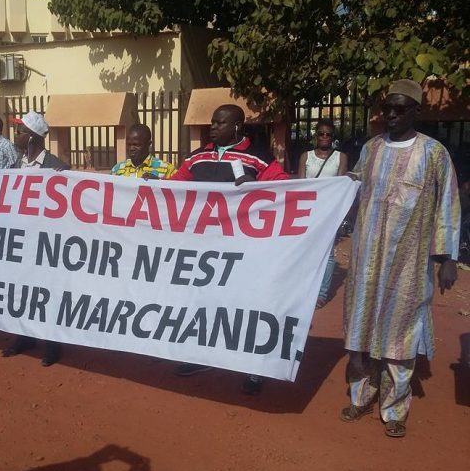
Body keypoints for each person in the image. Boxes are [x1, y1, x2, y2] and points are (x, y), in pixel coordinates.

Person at [340, 79, 460, 438]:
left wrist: (448, 258)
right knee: (360, 330)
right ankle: (361, 395)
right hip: (365, 261)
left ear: (416, 111)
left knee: (400, 335)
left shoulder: (434, 153)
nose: (390, 114)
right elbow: (352, 187)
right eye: (387, 108)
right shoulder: (371, 148)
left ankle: (394, 407)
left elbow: (447, 204)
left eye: (400, 108)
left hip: (409, 263)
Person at [170, 104, 290, 395]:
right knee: (202, 302)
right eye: (212, 122)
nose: (213, 127)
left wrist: (257, 187)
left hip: (244, 249)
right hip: (204, 248)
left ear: (237, 127)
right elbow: (173, 187)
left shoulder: (258, 157)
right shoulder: (197, 157)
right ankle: (201, 357)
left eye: (219, 123)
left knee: (246, 305)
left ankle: (254, 370)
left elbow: (286, 186)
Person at [1, 110, 68, 367]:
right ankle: (24, 336)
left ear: (31, 138)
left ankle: (52, 344)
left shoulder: (56, 167)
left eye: (19, 131)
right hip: (21, 241)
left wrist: (65, 178)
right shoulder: (18, 165)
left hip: (45, 245)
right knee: (20, 290)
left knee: (46, 293)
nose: (15, 135)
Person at [297, 119, 348, 308]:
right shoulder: (306, 156)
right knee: (304, 251)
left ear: (332, 138)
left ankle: (322, 293)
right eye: (321, 134)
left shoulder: (340, 157)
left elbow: (341, 185)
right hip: (307, 211)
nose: (325, 137)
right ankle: (303, 289)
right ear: (315, 136)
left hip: (329, 211)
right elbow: (300, 186)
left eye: (328, 134)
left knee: (328, 254)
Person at [111, 123, 176, 179]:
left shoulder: (167, 169)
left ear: (148, 144)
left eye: (136, 144)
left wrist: (159, 182)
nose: (131, 148)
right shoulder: (117, 169)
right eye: (128, 144)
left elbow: (179, 190)